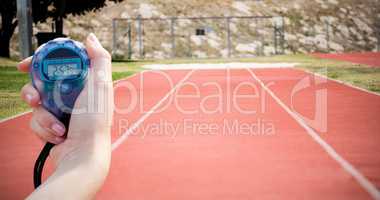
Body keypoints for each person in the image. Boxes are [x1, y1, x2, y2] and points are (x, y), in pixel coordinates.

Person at [18, 33, 114, 199]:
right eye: (57, 70)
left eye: (67, 69)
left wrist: (84, 152)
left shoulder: (43, 62)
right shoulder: (77, 58)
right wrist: (84, 156)